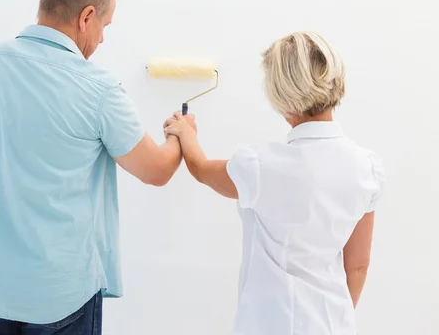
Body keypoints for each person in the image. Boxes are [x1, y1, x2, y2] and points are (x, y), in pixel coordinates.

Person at [0, 0, 190, 335]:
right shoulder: (98, 89)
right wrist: (179, 133)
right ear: (86, 16)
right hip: (60, 296)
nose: (103, 39)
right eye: (105, 25)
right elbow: (156, 170)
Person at [165, 32, 386, 335]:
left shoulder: (262, 168)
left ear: (284, 101)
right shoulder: (367, 167)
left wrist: (184, 131)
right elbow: (358, 265)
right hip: (334, 324)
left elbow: (201, 169)